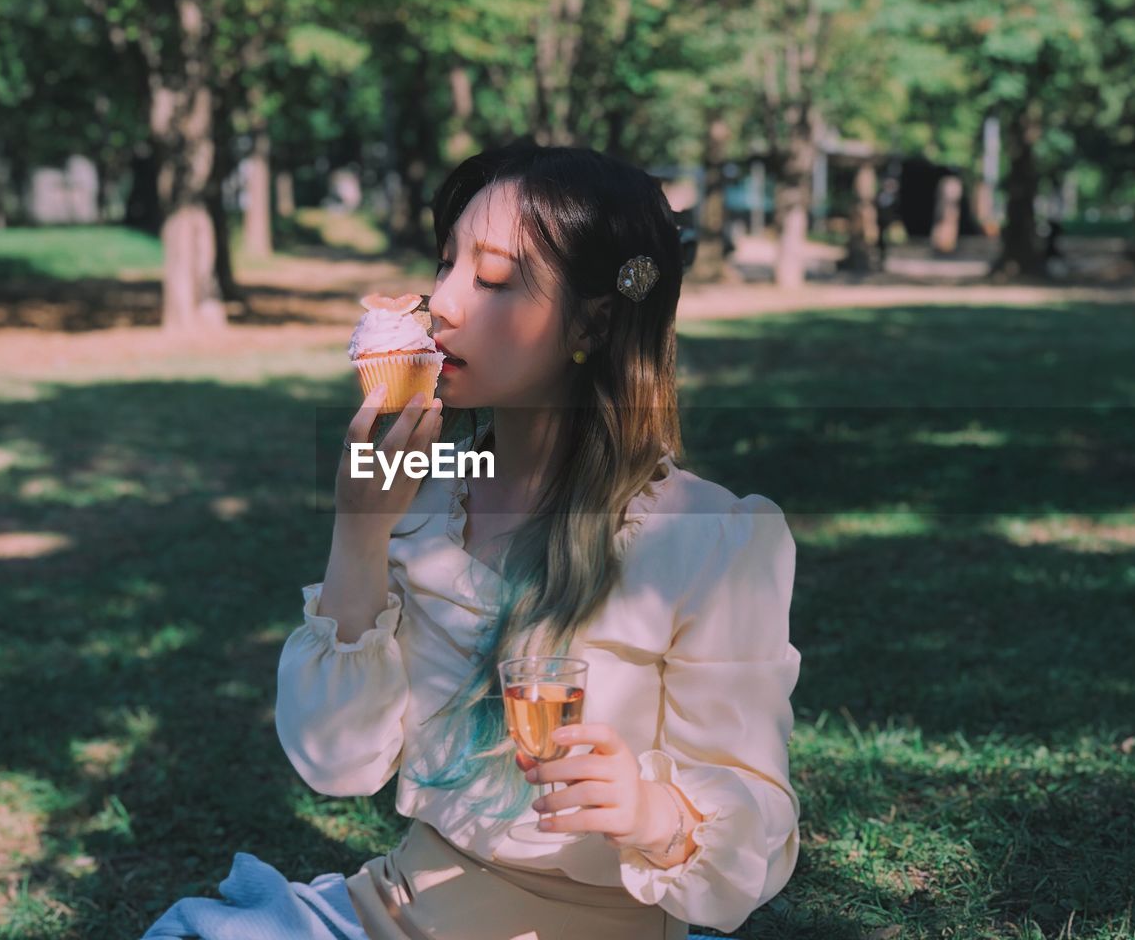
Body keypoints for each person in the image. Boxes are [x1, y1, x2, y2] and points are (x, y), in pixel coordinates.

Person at [142, 142, 801, 940]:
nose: (442, 305)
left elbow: (756, 832)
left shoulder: (713, 542)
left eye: (491, 279)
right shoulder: (420, 493)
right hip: (388, 911)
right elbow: (339, 765)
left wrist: (651, 813)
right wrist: (359, 534)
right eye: (446, 263)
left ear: (593, 317)